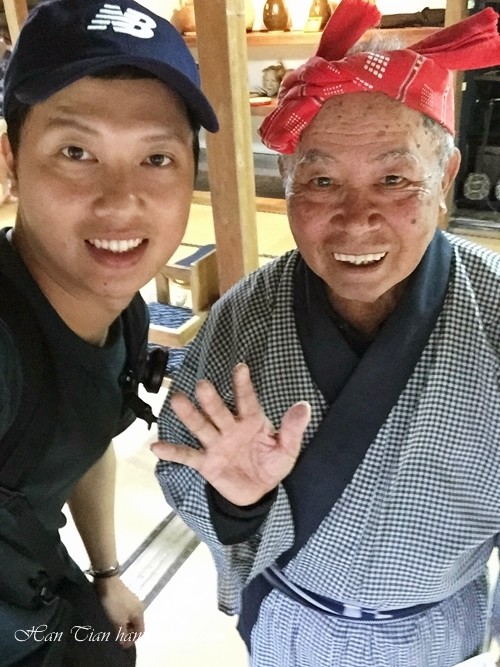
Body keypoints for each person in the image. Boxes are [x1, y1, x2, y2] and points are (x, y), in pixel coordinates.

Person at [152, 1, 500, 665]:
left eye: (394, 179)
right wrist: (237, 502)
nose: (356, 219)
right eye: (321, 180)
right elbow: (185, 460)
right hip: (292, 625)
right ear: (287, 184)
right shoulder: (245, 314)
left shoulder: (494, 311)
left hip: (431, 635)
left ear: (445, 180)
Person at [0, 0, 218, 665]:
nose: (121, 200)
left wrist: (106, 572)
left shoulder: (124, 312)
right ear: (10, 161)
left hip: (45, 587)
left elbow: (85, 433)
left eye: (156, 157)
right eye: (76, 152)